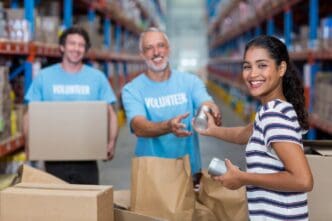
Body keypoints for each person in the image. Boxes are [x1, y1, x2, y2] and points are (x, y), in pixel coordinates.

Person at [194, 35, 313, 220]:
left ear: (281, 68)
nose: (252, 73)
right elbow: (245, 133)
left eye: (262, 65)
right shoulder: (275, 109)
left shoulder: (273, 116)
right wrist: (212, 130)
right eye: (247, 66)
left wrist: (243, 178)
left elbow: (302, 180)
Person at [121, 27, 221, 185]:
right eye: (149, 48)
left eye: (161, 45)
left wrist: (209, 110)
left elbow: (205, 101)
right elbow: (138, 126)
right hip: (151, 174)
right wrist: (168, 126)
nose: (156, 52)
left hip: (189, 172)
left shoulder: (190, 81)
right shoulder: (132, 89)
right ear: (142, 54)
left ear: (168, 49)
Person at [24, 27, 118, 184]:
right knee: (56, 205)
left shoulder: (97, 77)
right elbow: (30, 113)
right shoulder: (44, 77)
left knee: (88, 204)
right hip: (53, 157)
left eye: (81, 45)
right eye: (72, 43)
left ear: (86, 49)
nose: (76, 48)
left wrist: (112, 141)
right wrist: (28, 144)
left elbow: (110, 112)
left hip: (88, 157)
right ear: (62, 47)